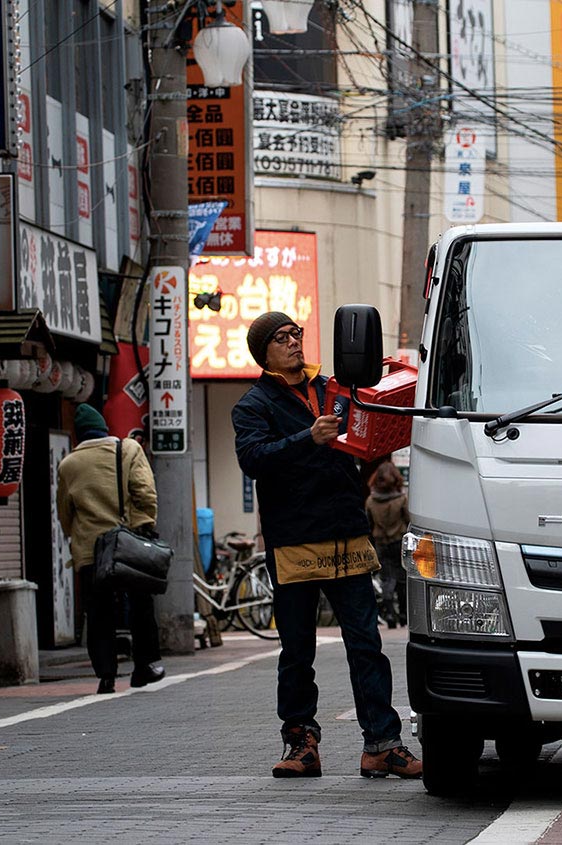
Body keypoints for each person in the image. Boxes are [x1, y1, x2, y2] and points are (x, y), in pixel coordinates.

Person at [231, 311, 423, 781]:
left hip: (348, 534)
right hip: (294, 541)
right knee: (298, 650)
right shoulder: (252, 405)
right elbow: (253, 458)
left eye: (296, 333)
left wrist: (379, 390)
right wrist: (306, 437)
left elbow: (369, 436)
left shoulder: (332, 389)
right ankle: (301, 744)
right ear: (264, 352)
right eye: (281, 338)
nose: (295, 341)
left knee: (367, 644)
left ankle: (382, 744)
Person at [57, 403, 165, 695]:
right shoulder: (127, 450)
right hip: (127, 544)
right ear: (105, 429)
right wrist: (143, 524)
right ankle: (144, 666)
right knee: (141, 604)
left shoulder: (69, 465)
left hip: (91, 550)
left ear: (78, 436)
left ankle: (106, 675)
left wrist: (78, 536)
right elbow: (145, 492)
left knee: (99, 611)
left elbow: (65, 514)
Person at [365, 462, 410, 629]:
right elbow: (408, 520)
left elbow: (368, 524)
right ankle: (404, 615)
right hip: (399, 542)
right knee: (402, 579)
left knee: (386, 580)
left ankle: (390, 614)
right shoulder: (401, 499)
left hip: (381, 543)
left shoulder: (371, 501)